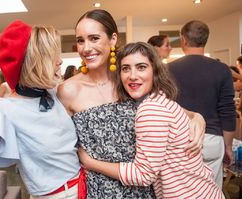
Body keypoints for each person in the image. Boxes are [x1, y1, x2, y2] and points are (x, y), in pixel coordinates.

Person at [58, 9, 205, 198]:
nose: (86, 48)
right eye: (80, 40)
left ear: (112, 39)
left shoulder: (130, 79)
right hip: (101, 191)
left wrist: (197, 117)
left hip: (146, 187)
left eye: (94, 38)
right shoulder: (68, 90)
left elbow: (168, 109)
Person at [0, 20, 86, 199]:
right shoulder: (5, 110)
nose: (60, 61)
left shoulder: (54, 92)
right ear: (33, 64)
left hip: (85, 186)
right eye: (52, 57)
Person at [78, 42, 223, 198]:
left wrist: (90, 162)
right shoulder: (160, 98)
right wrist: (196, 116)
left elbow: (143, 174)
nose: (132, 75)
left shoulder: (150, 109)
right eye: (126, 68)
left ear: (154, 71)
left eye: (141, 67)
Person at [168, 20, 236, 188]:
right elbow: (227, 110)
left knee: (180, 191)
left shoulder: (167, 69)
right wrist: (228, 146)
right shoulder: (222, 69)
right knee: (211, 191)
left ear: (183, 40)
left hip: (178, 140)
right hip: (212, 139)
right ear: (206, 39)